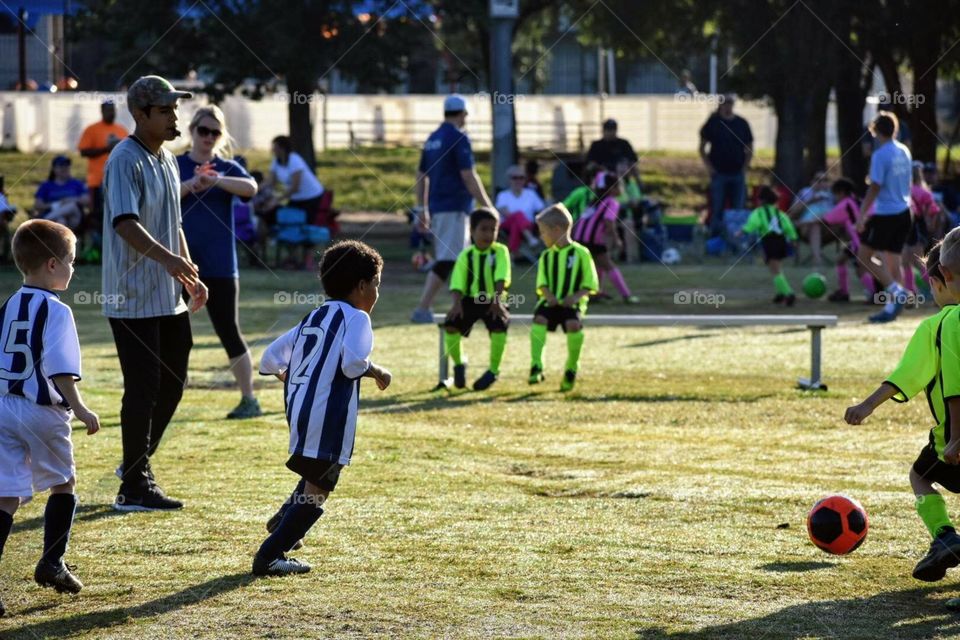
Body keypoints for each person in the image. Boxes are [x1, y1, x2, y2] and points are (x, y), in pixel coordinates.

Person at [102, 75, 208, 512]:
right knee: (143, 387)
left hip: (167, 293)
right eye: (164, 111)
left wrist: (189, 272)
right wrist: (170, 261)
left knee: (174, 381)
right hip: (131, 295)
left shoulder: (166, 159)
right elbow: (125, 224)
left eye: (174, 109)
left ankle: (135, 463)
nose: (173, 117)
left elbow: (173, 223)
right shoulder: (124, 159)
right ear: (140, 114)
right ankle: (133, 486)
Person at [254, 240, 391, 576]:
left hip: (300, 410)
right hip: (328, 414)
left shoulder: (314, 316)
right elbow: (352, 364)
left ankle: (287, 516)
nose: (377, 293)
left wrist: (289, 375)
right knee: (321, 487)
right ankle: (270, 555)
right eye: (376, 284)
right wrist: (377, 370)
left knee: (315, 471)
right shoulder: (357, 318)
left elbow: (269, 359)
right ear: (361, 286)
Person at [0, 220, 101, 614]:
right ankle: (52, 562)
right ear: (53, 265)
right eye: (71, 261)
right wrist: (80, 407)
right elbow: (61, 370)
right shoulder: (57, 310)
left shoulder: (9, 304)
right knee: (63, 483)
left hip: (4, 409)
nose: (73, 268)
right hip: (42, 411)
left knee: (6, 496)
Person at [844, 240, 960, 582]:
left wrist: (866, 405)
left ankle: (944, 536)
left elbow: (915, 377)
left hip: (953, 438)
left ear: (940, 279)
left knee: (920, 476)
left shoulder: (941, 324)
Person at [177, 105, 262, 420]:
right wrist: (192, 184)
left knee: (229, 331)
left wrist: (216, 180)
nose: (208, 137)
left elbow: (250, 188)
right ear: (192, 131)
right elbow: (161, 197)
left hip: (221, 265)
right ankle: (166, 396)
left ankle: (249, 399)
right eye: (203, 130)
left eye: (215, 132)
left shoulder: (227, 167)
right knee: (174, 334)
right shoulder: (176, 164)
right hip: (179, 263)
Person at [410, 95, 494, 323]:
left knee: (458, 260)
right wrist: (488, 206)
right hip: (455, 207)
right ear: (462, 114)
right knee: (448, 260)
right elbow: (468, 175)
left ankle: (468, 306)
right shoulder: (459, 137)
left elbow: (421, 175)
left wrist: (421, 208)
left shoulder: (432, 138)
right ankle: (422, 309)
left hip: (439, 207)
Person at [529, 204, 599, 392]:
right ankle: (536, 365)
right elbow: (542, 283)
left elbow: (590, 283)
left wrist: (575, 297)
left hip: (572, 304)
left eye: (543, 232)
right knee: (539, 319)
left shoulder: (581, 253)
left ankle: (571, 368)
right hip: (550, 302)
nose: (541, 236)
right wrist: (549, 296)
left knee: (573, 325)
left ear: (557, 230)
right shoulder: (546, 256)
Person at [443, 208, 511, 391]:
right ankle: (459, 364)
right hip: (470, 300)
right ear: (472, 231)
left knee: (499, 326)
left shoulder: (500, 251)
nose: (489, 234)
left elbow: (501, 277)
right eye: (484, 229)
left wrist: (497, 300)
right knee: (451, 325)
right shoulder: (466, 255)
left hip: (494, 300)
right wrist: (457, 304)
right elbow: (457, 283)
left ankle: (493, 371)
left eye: (493, 229)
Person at [857, 111, 913, 323]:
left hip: (886, 215)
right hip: (904, 212)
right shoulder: (904, 151)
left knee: (864, 257)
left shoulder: (880, 155)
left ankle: (897, 292)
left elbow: (875, 187)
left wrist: (862, 214)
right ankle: (891, 309)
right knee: (893, 262)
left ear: (875, 131)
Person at [572, 172, 638, 304]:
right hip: (592, 240)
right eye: (619, 186)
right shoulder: (612, 202)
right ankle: (626, 295)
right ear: (612, 188)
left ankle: (595, 292)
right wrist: (616, 239)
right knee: (609, 266)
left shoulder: (594, 200)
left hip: (580, 238)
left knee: (596, 265)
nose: (622, 189)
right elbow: (609, 222)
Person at [78, 99, 128, 259]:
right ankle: (98, 249)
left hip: (117, 181)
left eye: (113, 110)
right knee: (97, 215)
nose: (111, 113)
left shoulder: (121, 130)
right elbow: (83, 151)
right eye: (108, 110)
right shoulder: (92, 129)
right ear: (102, 111)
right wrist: (106, 149)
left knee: (117, 214)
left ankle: (116, 249)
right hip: (96, 181)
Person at [699, 94, 753, 237]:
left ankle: (736, 237)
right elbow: (702, 148)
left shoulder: (741, 123)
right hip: (719, 173)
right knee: (717, 207)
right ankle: (715, 236)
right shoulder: (713, 123)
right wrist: (710, 168)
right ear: (720, 105)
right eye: (725, 103)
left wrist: (745, 167)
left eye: (730, 103)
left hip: (737, 172)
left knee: (738, 208)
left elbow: (749, 147)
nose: (728, 106)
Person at [739, 186, 798, 306]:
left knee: (775, 270)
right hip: (781, 240)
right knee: (776, 267)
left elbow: (753, 223)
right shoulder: (779, 212)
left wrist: (743, 231)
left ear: (761, 200)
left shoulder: (759, 212)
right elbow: (788, 225)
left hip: (769, 241)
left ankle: (788, 293)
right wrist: (793, 238)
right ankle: (780, 293)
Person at [822, 178, 874, 303]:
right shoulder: (859, 201)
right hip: (864, 240)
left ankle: (874, 294)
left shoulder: (845, 204)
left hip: (859, 242)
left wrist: (803, 223)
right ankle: (844, 292)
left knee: (861, 270)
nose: (834, 198)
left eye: (835, 194)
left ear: (841, 192)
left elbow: (826, 220)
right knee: (840, 260)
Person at [902, 161, 945, 296]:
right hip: (919, 228)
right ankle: (915, 291)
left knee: (910, 262)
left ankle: (936, 290)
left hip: (911, 227)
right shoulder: (925, 192)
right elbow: (935, 211)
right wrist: (931, 226)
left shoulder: (905, 190)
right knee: (915, 262)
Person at [266, 135, 325, 216]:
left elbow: (295, 188)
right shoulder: (276, 161)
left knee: (292, 219)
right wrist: (255, 190)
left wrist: (277, 199)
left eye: (274, 147)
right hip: (295, 198)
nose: (272, 150)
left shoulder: (294, 160)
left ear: (282, 148)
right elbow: (270, 182)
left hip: (311, 198)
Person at [495, 165, 544, 255]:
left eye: (521, 178)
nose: (518, 180)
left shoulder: (531, 194)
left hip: (529, 225)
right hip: (506, 225)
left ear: (525, 179)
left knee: (516, 224)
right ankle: (530, 238)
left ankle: (512, 253)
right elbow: (506, 214)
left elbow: (542, 210)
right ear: (509, 180)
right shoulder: (503, 195)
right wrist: (520, 219)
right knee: (518, 215)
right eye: (515, 178)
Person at [788, 170, 833, 266]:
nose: (822, 183)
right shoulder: (805, 192)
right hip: (807, 229)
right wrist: (811, 201)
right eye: (818, 180)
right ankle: (817, 261)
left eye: (825, 180)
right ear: (812, 182)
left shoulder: (833, 194)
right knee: (815, 226)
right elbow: (793, 212)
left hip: (829, 228)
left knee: (817, 222)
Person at [34, 156, 89, 231]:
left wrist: (71, 199)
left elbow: (87, 200)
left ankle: (45, 220)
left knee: (71, 205)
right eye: (61, 166)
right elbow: (38, 205)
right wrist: (57, 204)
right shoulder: (46, 185)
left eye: (67, 165)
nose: (64, 168)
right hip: (56, 218)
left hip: (74, 217)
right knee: (61, 221)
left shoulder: (77, 183)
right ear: (54, 169)